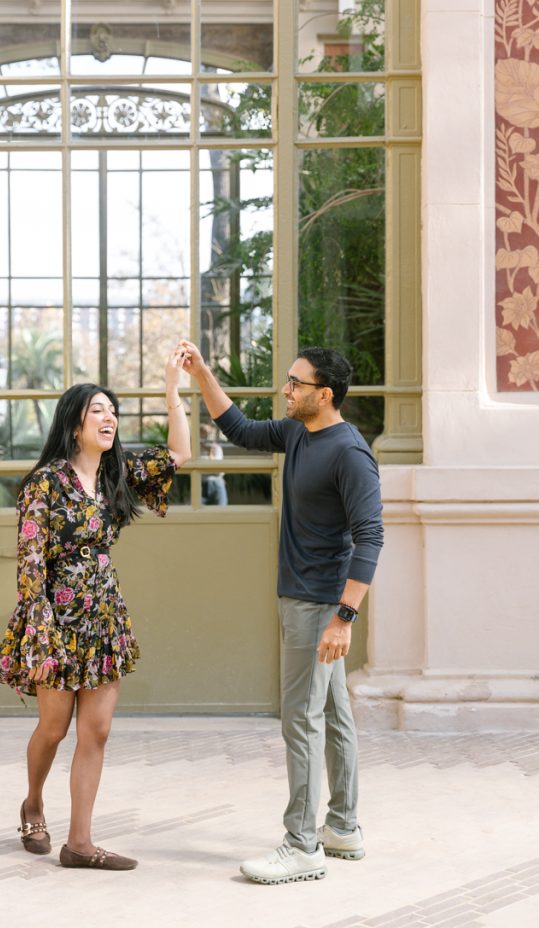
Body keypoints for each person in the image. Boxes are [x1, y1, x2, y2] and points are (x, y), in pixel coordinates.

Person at [179, 340, 383, 886]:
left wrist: (343, 618)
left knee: (301, 720)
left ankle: (302, 845)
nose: (285, 389)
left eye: (296, 383)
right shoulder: (297, 432)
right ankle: (342, 827)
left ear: (326, 394)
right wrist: (202, 374)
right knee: (332, 715)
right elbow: (240, 429)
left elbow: (370, 537)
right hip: (304, 598)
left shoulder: (350, 453)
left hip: (319, 605)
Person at [0, 346, 191, 871]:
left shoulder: (116, 473)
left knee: (96, 731)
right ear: (74, 423)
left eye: (113, 411)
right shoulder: (45, 482)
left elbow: (180, 452)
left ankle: (79, 844)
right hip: (55, 623)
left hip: (104, 618)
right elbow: (30, 563)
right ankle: (33, 804)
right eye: (97, 410)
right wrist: (39, 634)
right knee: (54, 728)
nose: (109, 418)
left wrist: (172, 388)